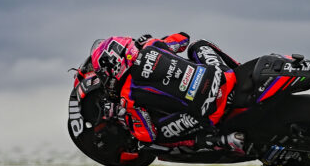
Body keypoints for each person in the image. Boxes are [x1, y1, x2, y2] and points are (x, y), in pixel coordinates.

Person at [89, 32, 245, 153]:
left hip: (210, 110)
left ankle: (221, 141)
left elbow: (147, 134)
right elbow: (184, 39)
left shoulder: (127, 94)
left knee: (156, 139)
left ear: (114, 66)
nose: (105, 78)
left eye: (103, 74)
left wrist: (122, 117)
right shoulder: (152, 44)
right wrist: (163, 42)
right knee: (198, 44)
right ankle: (241, 70)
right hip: (225, 77)